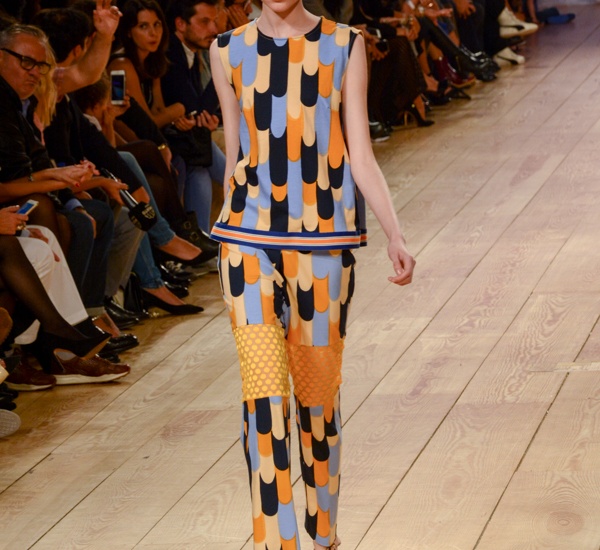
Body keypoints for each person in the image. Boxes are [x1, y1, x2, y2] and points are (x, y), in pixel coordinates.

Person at [209, 2, 416, 549]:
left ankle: (324, 535)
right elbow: (234, 153)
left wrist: (394, 234)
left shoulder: (344, 44)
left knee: (318, 401)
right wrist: (226, 220)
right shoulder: (226, 50)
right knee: (263, 397)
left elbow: (360, 152)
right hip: (246, 241)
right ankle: (277, 542)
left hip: (323, 243)